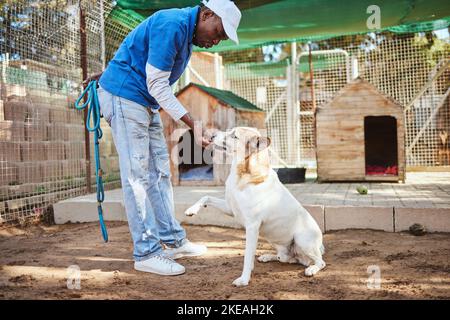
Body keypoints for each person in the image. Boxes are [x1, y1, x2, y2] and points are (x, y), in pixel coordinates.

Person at [93, 0, 242, 276]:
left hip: (143, 101)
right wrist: (194, 125)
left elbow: (140, 55)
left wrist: (110, 72)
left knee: (160, 172)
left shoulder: (185, 34)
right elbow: (158, 84)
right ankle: (146, 252)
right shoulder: (172, 24)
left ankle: (173, 241)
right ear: (207, 14)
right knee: (137, 176)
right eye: (218, 32)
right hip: (127, 98)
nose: (217, 41)